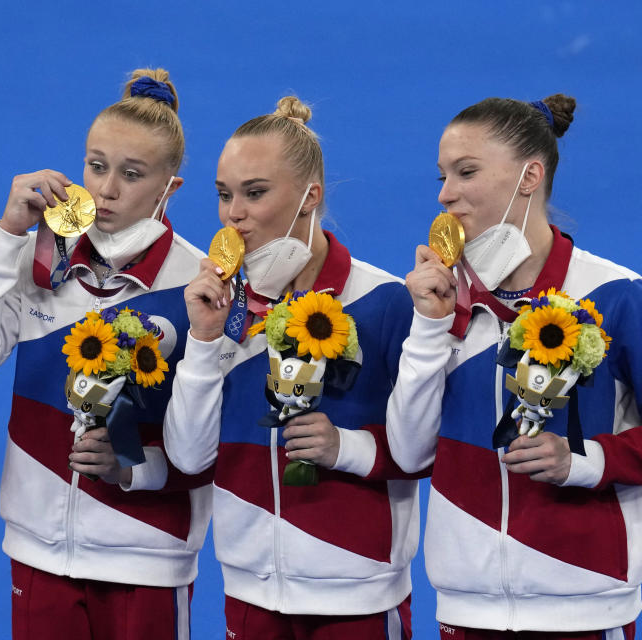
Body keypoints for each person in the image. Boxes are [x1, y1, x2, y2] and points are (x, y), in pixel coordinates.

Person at [0, 68, 211, 640]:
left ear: (171, 188)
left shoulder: (200, 284)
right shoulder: (39, 259)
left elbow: (210, 445)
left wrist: (131, 468)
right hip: (37, 550)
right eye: (96, 165)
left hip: (148, 554)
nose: (107, 189)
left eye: (132, 175)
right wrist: (9, 234)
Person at [387, 94, 641, 638]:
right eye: (442, 175)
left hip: (585, 605)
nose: (445, 194)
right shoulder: (441, 302)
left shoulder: (616, 296)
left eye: (466, 172)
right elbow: (409, 454)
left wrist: (586, 461)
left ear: (530, 176)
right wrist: (430, 326)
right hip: (465, 610)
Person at [164, 96, 418, 640]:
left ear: (310, 197)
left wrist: (345, 448)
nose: (235, 213)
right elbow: (189, 459)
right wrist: (204, 345)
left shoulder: (384, 303)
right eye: (224, 194)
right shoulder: (220, 312)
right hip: (250, 594)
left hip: (358, 595)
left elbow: (428, 448)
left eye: (255, 193)